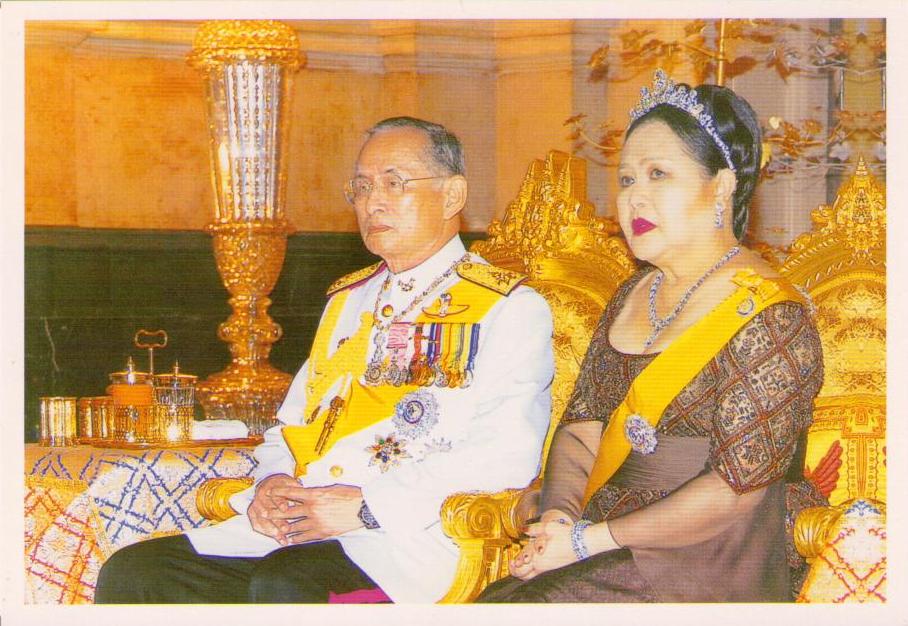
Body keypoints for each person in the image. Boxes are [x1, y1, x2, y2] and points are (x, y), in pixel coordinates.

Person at [95, 116, 554, 604]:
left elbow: (505, 452)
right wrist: (273, 480)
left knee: (286, 585)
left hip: (406, 537)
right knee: (138, 573)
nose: (373, 201)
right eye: (361, 186)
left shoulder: (508, 306)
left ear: (452, 196)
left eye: (394, 183)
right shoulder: (348, 301)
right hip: (300, 527)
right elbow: (293, 425)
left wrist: (365, 509)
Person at [478, 70, 826, 603]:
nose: (634, 198)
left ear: (723, 186)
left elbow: (734, 492)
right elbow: (582, 427)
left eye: (658, 174)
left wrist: (584, 540)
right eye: (626, 180)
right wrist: (558, 519)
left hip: (713, 552)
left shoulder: (771, 316)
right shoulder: (630, 295)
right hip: (603, 532)